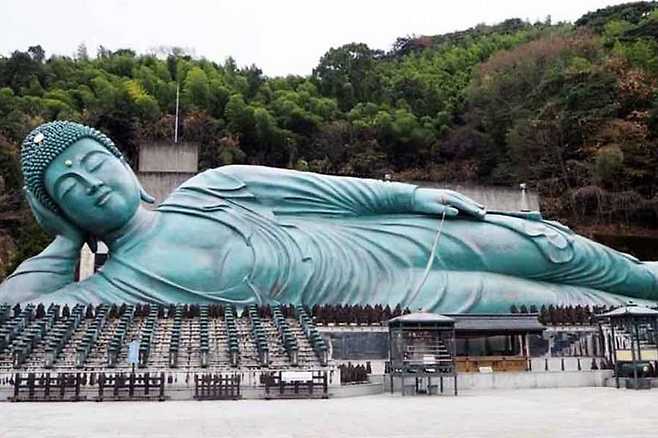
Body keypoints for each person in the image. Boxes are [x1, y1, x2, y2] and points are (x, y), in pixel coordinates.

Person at [1, 121, 657, 312]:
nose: (91, 183)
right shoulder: (117, 286)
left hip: (381, 236)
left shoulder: (212, 187)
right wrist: (62, 244)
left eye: (94, 162)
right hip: (390, 295)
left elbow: (328, 192)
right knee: (564, 303)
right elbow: (14, 314)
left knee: (553, 248)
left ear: (122, 162)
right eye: (68, 187)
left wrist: (410, 197)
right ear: (59, 210)